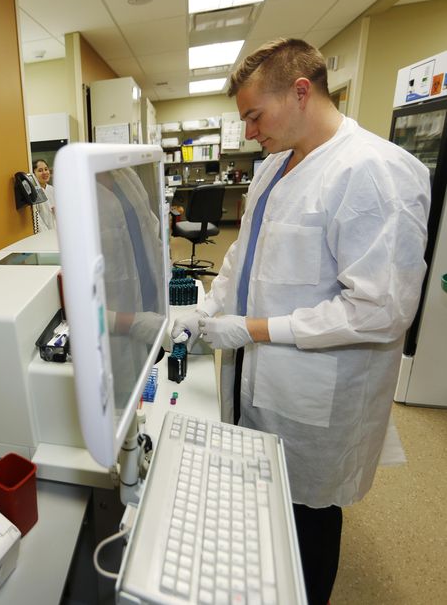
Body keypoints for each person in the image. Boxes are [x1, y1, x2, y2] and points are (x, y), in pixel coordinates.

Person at [171, 38, 430, 605]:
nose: (248, 133)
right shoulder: (272, 169)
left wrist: (254, 328)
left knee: (306, 523)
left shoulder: (375, 173)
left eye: (254, 116)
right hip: (255, 379)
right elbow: (243, 259)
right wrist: (207, 310)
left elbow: (381, 310)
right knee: (261, 508)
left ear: (301, 91)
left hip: (315, 393)